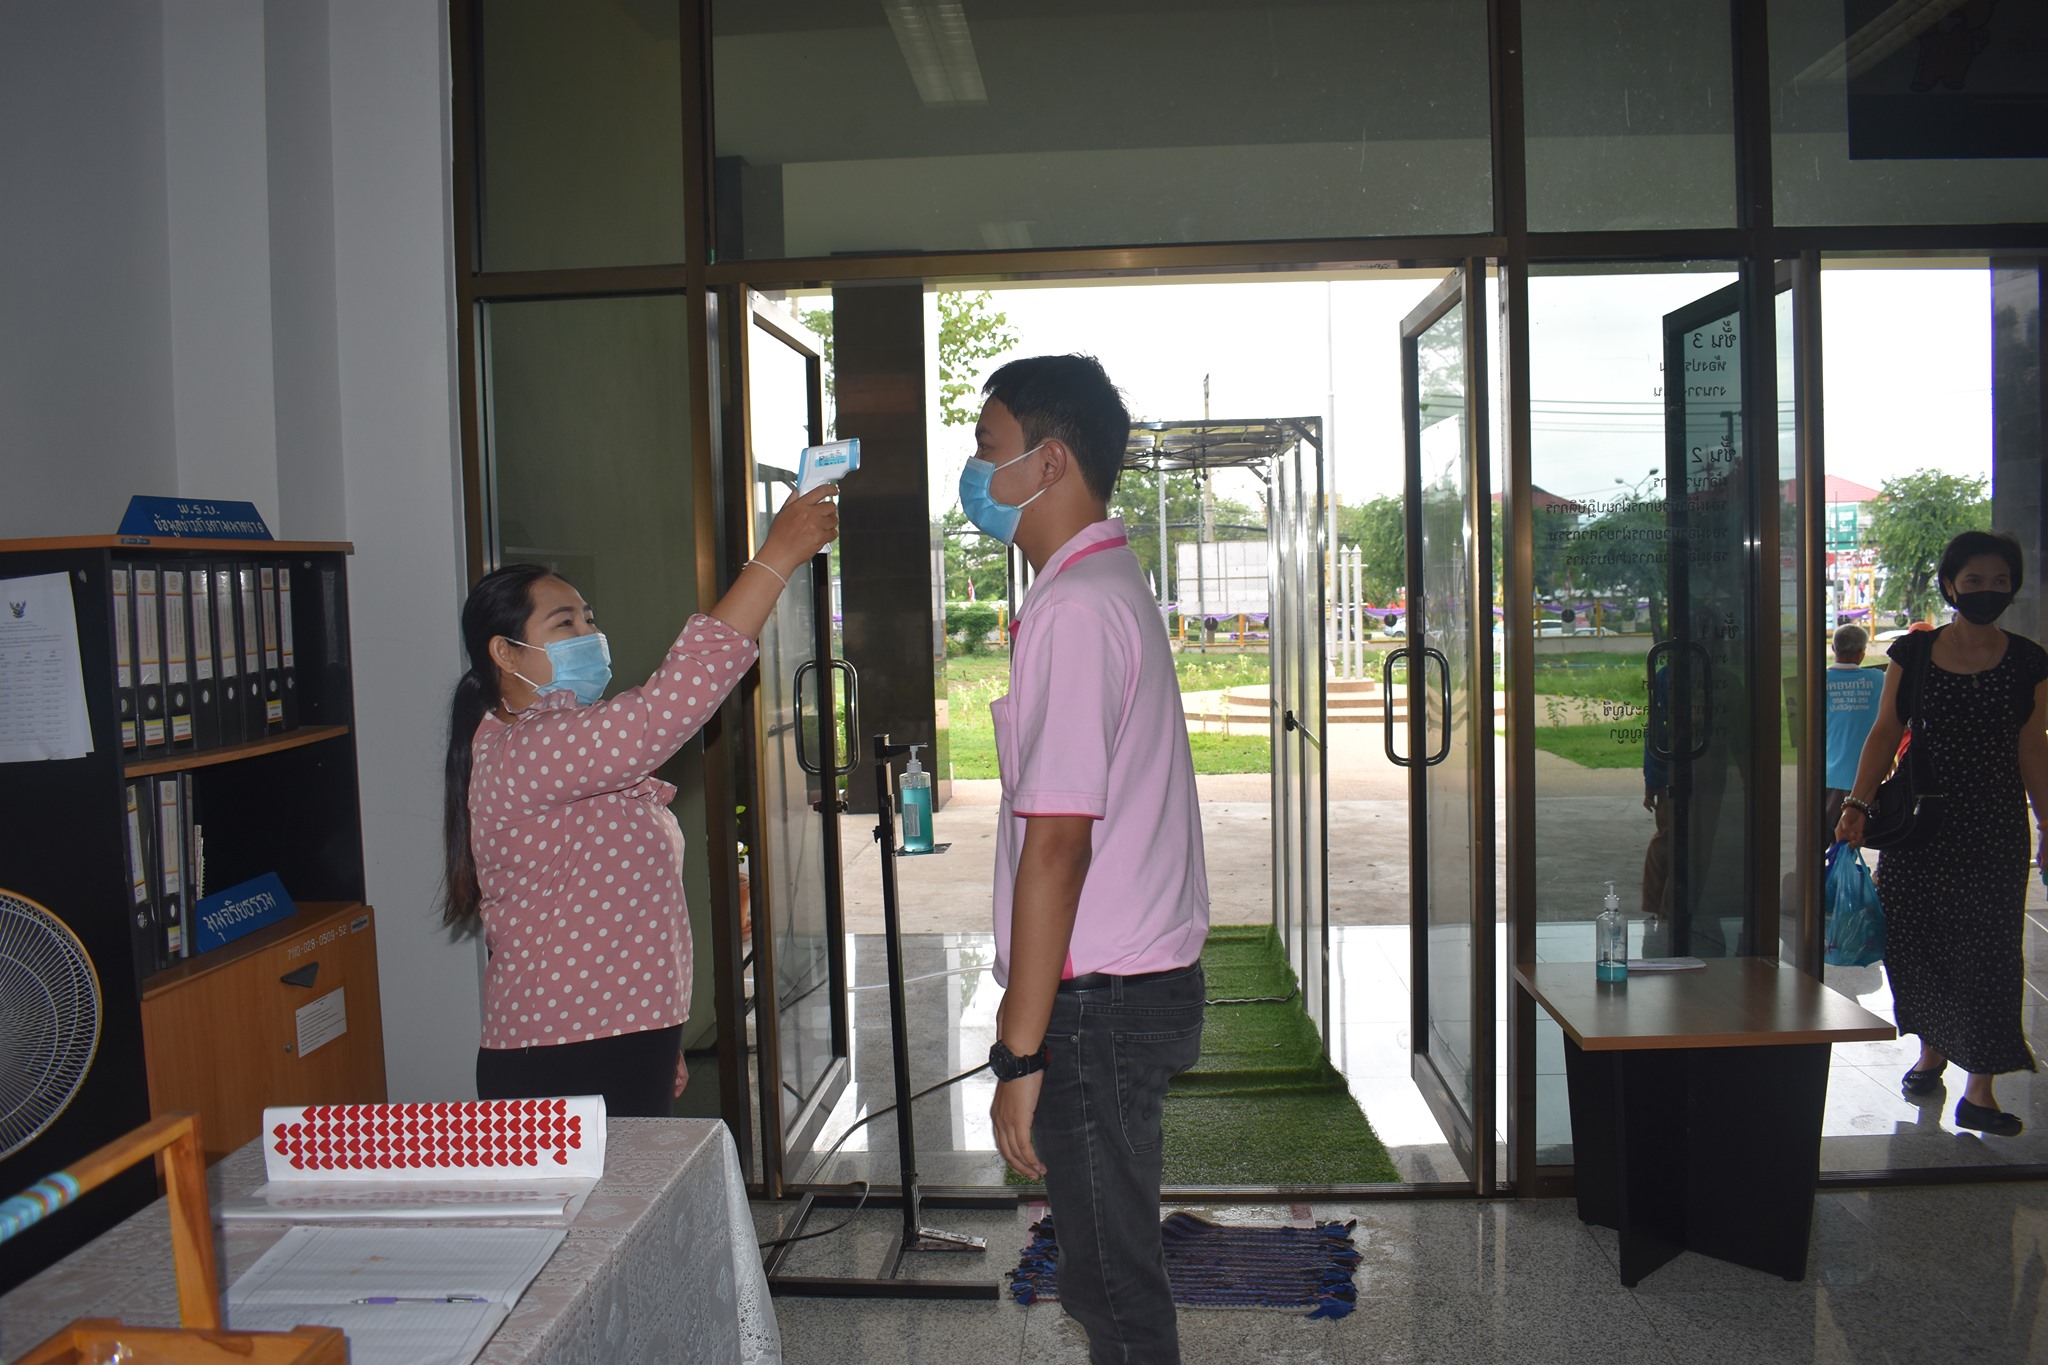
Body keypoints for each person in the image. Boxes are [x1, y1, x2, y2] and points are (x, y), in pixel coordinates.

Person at [438, 486, 839, 1117]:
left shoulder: (565, 744)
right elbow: (668, 707)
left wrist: (656, 1030)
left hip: (619, 1035)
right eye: (564, 623)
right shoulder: (527, 748)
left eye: (589, 618)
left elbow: (626, 909)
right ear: (504, 652)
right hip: (562, 1051)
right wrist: (777, 557)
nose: (589, 633)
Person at [966, 354, 1209, 1364]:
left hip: (1098, 1001)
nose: (975, 475)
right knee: (1111, 1268)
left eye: (988, 449)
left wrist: (1019, 1053)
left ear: (1049, 461)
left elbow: (1057, 845)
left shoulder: (1073, 607)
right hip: (1128, 985)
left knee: (1110, 1284)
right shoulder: (1101, 581)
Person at [1835, 530, 2048, 1137]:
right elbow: (1885, 732)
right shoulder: (1915, 653)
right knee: (1918, 943)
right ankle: (1931, 1052)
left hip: (1993, 829)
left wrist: (2047, 820)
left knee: (1990, 953)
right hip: (1919, 826)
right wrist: (1857, 804)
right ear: (1951, 585)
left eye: (2000, 581)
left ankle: (1979, 1090)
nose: (1987, 591)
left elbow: (2033, 747)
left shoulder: (2029, 661)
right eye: (1974, 580)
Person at [1823, 624, 1884, 839]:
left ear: (1833, 648)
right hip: (1865, 780)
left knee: (1820, 840)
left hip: (1826, 775)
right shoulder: (1879, 680)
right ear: (1861, 653)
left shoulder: (1816, 681)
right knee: (1854, 839)